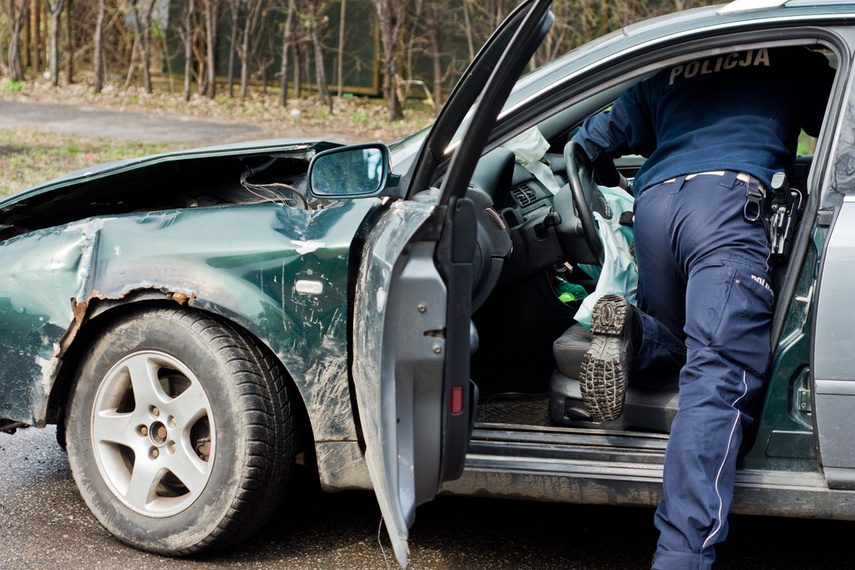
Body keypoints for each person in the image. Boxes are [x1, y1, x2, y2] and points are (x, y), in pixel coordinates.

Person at [570, 46, 835, 570]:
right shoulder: (792, 54)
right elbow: (838, 125)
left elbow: (591, 139)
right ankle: (681, 557)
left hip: (656, 206)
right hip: (727, 206)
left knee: (676, 341)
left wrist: (602, 182)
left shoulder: (676, 58)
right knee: (717, 378)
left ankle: (634, 335)